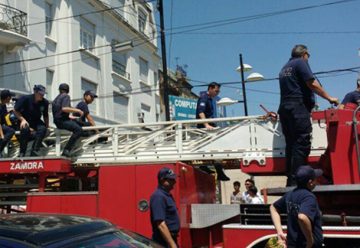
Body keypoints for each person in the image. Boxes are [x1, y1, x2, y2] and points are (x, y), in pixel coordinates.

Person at [278, 44, 339, 186]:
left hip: (285, 108)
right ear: (304, 54)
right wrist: (329, 98)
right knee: (302, 143)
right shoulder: (300, 62)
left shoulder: (285, 67)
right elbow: (312, 83)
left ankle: (291, 180)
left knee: (291, 145)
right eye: (308, 56)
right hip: (297, 107)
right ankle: (299, 180)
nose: (308, 58)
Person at [270, 165, 324, 248]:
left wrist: (279, 232)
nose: (317, 181)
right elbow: (302, 217)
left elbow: (273, 207)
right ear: (310, 182)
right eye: (315, 179)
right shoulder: (309, 197)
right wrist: (310, 241)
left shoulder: (290, 194)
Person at [196, 82, 230, 181]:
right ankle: (217, 171)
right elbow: (201, 112)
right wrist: (206, 124)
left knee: (214, 148)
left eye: (218, 91)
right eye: (216, 91)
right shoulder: (204, 98)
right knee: (214, 148)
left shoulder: (210, 99)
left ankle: (214, 170)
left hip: (210, 126)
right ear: (210, 88)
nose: (217, 93)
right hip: (205, 128)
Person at [14, 85, 49, 157]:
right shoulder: (25, 98)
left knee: (43, 129)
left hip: (36, 121)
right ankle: (22, 152)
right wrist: (22, 120)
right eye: (40, 94)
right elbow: (15, 110)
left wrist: (47, 126)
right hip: (24, 119)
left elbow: (45, 115)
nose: (42, 95)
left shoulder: (45, 102)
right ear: (35, 92)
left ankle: (35, 150)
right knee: (25, 129)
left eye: (43, 94)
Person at [150, 167, 180, 248]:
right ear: (162, 180)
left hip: (170, 240)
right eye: (171, 179)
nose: (174, 182)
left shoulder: (166, 196)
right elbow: (161, 224)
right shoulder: (158, 197)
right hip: (163, 242)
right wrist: (172, 245)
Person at [52, 83, 84, 157]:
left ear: (59, 90)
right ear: (68, 90)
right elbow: (64, 109)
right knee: (79, 130)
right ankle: (67, 150)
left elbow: (60, 112)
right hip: (62, 121)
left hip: (58, 121)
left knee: (77, 123)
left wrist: (72, 118)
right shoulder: (66, 96)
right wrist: (78, 110)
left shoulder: (56, 98)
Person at [0, 90, 16, 158]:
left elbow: (4, 117)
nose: (11, 99)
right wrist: (2, 135)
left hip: (2, 125)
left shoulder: (3, 106)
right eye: (10, 97)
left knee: (12, 128)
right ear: (7, 98)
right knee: (10, 131)